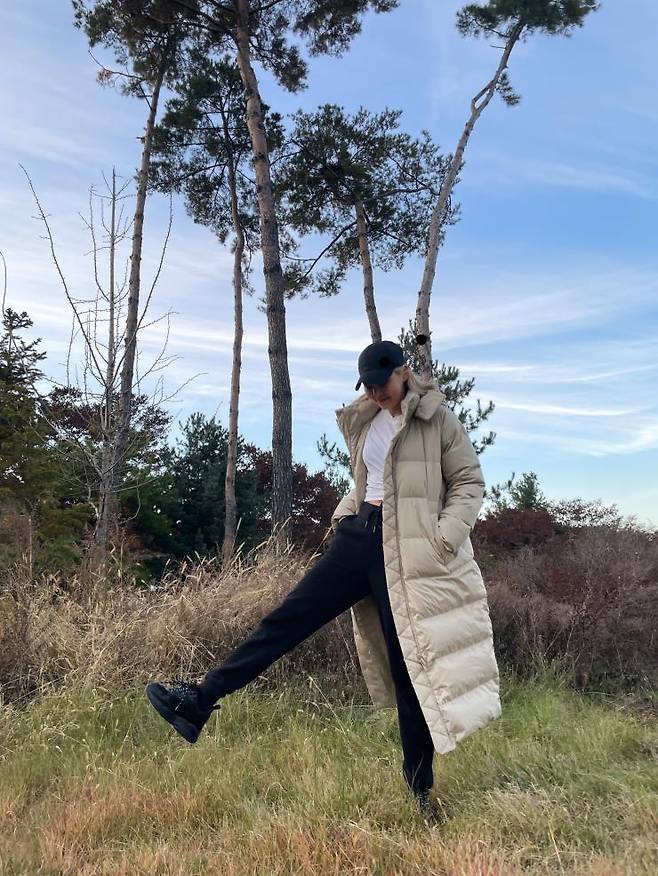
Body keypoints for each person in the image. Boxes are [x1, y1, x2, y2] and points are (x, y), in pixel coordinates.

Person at [146, 339, 501, 822]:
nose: (375, 393)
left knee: (408, 673)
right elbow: (369, 481)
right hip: (359, 540)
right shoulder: (366, 419)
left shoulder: (438, 419)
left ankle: (420, 792)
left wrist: (442, 539)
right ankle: (199, 700)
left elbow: (469, 483)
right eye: (368, 386)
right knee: (288, 617)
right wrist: (345, 515)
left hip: (409, 554)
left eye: (381, 383)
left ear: (403, 372)